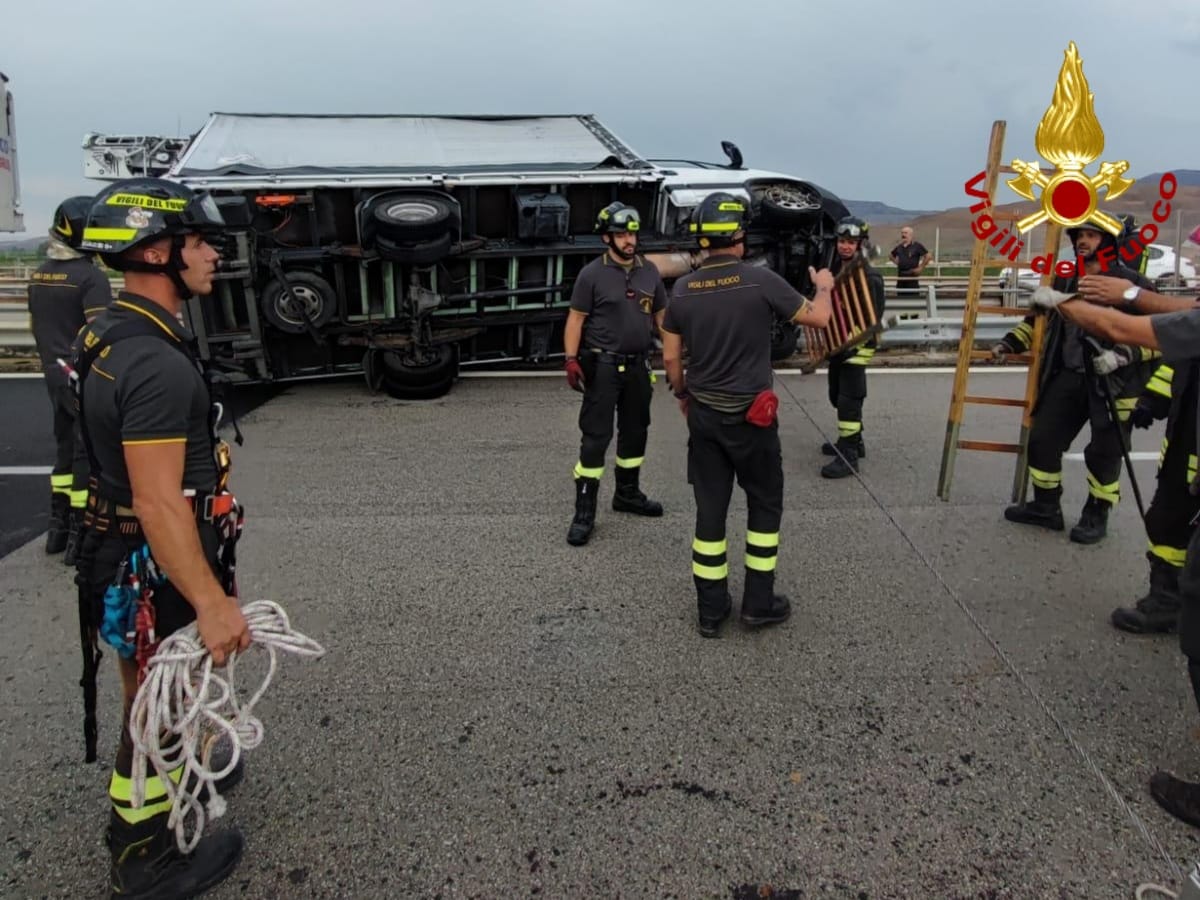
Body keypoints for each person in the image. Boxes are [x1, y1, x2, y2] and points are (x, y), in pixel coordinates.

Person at [72, 177, 250, 898]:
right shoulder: (154, 362)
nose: (213, 255)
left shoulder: (110, 331)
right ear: (155, 252)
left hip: (115, 551)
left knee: (150, 693)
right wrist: (210, 602)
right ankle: (144, 853)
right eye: (199, 242)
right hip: (152, 564)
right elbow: (157, 501)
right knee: (162, 702)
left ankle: (160, 795)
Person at [1031, 273, 1200, 829]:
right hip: (1185, 433)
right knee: (1168, 522)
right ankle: (1166, 598)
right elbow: (1179, 312)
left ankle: (1103, 519)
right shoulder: (1141, 290)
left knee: (1114, 467)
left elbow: (1127, 330)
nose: (1081, 245)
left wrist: (1064, 303)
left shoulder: (1118, 284)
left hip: (1132, 399)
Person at [661, 192, 834, 637]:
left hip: (704, 416)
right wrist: (824, 286)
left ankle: (710, 610)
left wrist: (682, 393)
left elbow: (671, 358)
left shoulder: (682, 290)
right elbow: (819, 319)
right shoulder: (761, 281)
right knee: (764, 503)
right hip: (753, 420)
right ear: (739, 236)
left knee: (710, 510)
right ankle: (758, 604)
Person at [995, 220, 1156, 544]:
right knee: (1042, 440)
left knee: (1105, 452)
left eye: (1091, 236)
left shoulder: (1133, 286)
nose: (1083, 241)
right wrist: (1008, 344)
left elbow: (1159, 336)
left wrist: (1120, 356)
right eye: (1079, 236)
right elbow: (1036, 323)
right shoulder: (1066, 279)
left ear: (1108, 243)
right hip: (1068, 376)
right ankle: (1046, 506)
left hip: (1114, 384)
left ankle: (1097, 512)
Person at [562, 201, 668, 546]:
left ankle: (627, 494)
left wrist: (676, 356)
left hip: (639, 366)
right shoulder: (592, 274)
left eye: (632, 234)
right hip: (603, 366)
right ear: (607, 237)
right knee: (596, 437)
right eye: (621, 234)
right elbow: (576, 319)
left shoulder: (649, 272)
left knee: (636, 432)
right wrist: (570, 359)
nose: (629, 240)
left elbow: (662, 318)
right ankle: (584, 512)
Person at [26, 195, 113, 563]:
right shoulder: (91, 278)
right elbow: (98, 331)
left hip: (52, 371)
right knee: (86, 453)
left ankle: (57, 529)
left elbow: (37, 326)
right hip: (81, 375)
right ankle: (82, 534)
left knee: (64, 448)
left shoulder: (39, 275)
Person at [1107, 357, 1199, 634]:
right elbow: (1178, 364)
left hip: (1190, 459)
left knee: (1170, 523)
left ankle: (1167, 604)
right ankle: (1171, 599)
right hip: (1184, 449)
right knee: (1167, 521)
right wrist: (1151, 400)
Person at [820, 216, 886, 478]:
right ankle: (854, 442)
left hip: (858, 345)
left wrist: (854, 342)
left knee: (849, 398)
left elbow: (873, 318)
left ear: (861, 244)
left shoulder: (869, 275)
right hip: (839, 343)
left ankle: (848, 456)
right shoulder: (837, 268)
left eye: (851, 242)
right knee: (836, 395)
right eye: (842, 241)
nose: (845, 246)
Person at [889, 226, 930, 297]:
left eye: (905, 233)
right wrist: (897, 263)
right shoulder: (899, 247)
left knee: (913, 299)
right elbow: (890, 255)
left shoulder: (917, 246)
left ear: (911, 235)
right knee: (900, 298)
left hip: (912, 278)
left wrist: (920, 268)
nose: (903, 235)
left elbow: (928, 256)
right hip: (901, 278)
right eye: (902, 233)